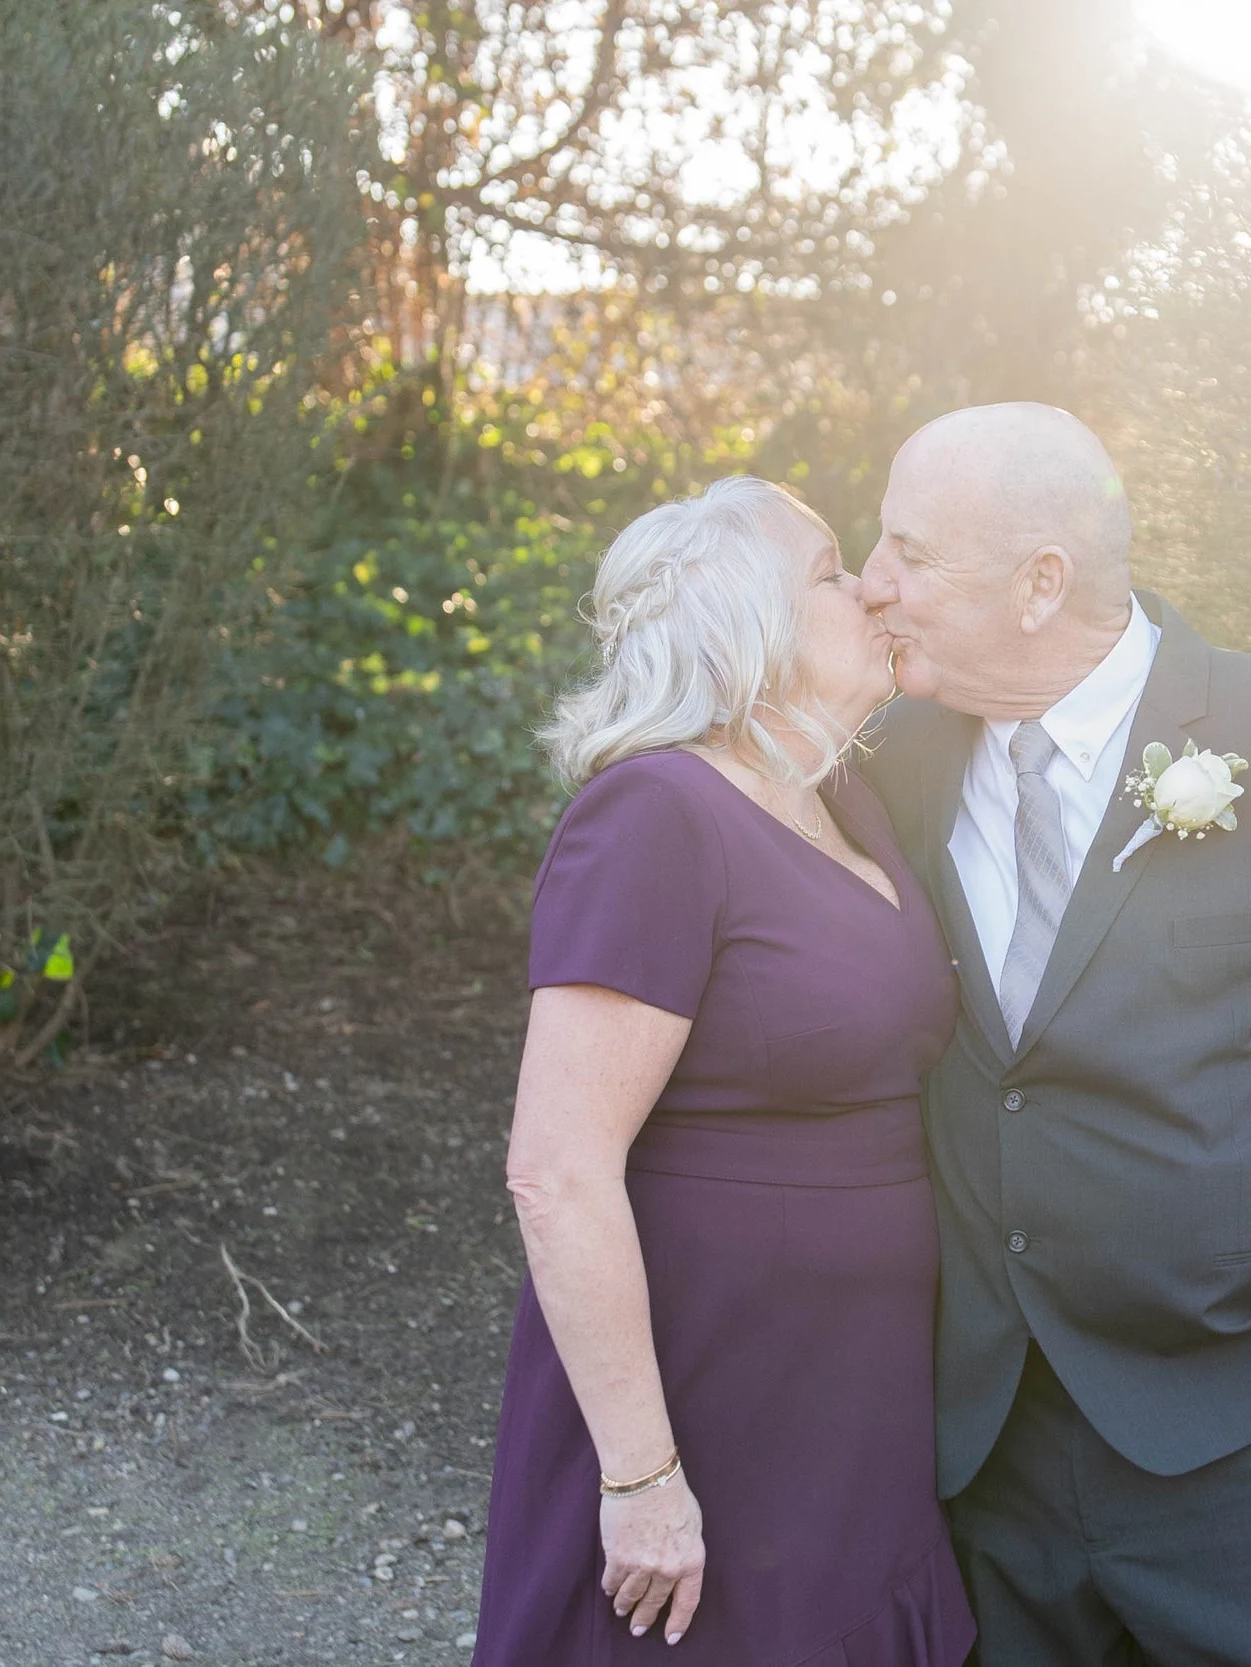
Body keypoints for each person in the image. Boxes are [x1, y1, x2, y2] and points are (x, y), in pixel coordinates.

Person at [858, 403, 1251, 1665]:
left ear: (1041, 582)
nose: (873, 584)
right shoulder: (892, 762)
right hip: (989, 1436)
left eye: (909, 553)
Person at [473, 477, 976, 1666]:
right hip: (710, 1392)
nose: (866, 588)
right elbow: (556, 1166)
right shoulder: (654, 813)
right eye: (829, 569)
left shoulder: (845, 799)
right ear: (740, 619)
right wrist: (643, 1474)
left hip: (855, 1396)